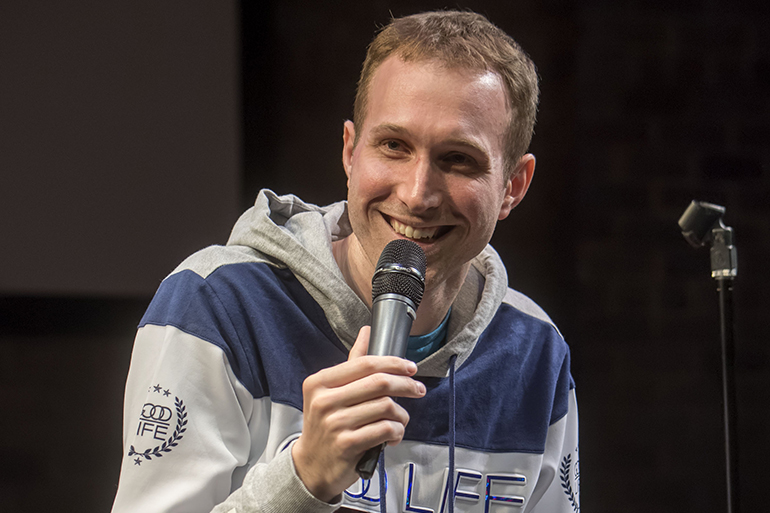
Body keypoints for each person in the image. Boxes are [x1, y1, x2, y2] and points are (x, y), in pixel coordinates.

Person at [111, 10, 578, 513]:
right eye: (394, 146)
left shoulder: (534, 351)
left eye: (458, 158)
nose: (418, 194)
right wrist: (304, 477)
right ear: (351, 152)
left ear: (513, 186)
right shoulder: (215, 306)